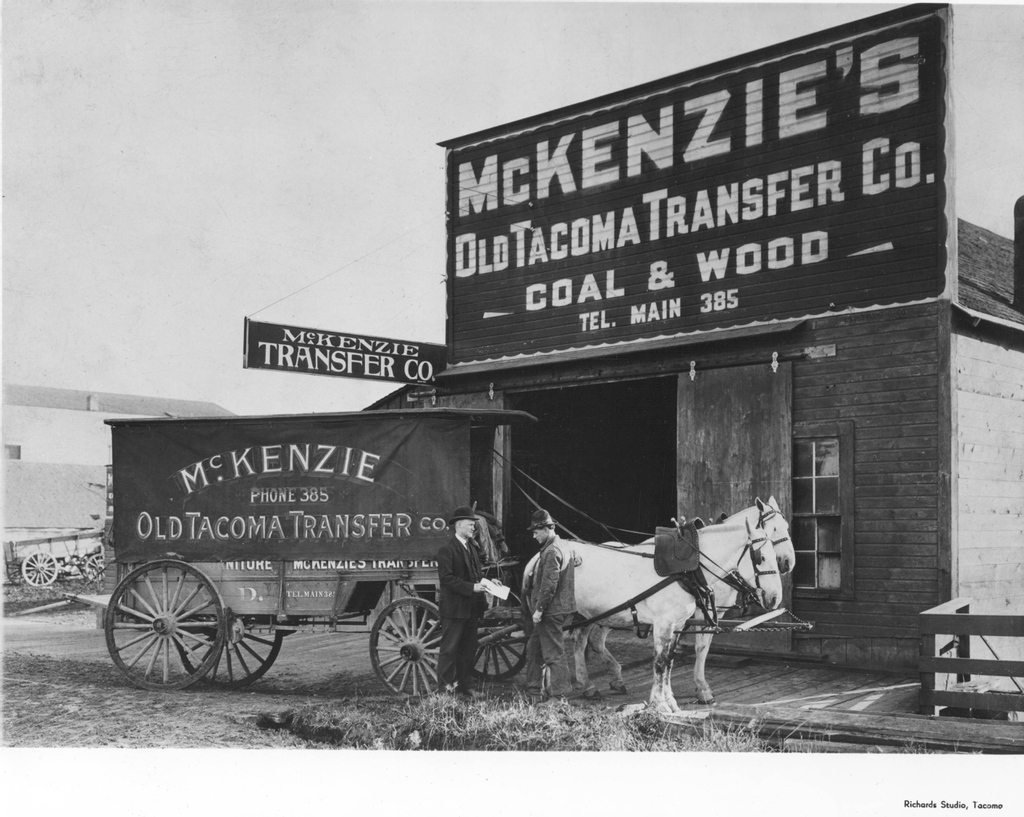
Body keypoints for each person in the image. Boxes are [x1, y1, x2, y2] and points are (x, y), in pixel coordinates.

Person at [522, 509, 576, 701]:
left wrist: (538, 610)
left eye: (536, 531)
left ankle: (560, 697)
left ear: (547, 529)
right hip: (555, 609)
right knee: (533, 650)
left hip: (550, 611)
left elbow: (549, 586)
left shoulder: (552, 551)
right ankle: (533, 693)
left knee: (554, 654)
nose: (534, 535)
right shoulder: (563, 546)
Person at [436, 505, 488, 697]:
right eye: (470, 524)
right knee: (449, 651)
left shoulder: (471, 548)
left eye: (473, 525)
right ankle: (445, 691)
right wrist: (471, 587)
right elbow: (446, 579)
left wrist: (489, 583)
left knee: (468, 650)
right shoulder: (447, 550)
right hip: (454, 609)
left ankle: (465, 687)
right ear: (458, 525)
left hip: (471, 608)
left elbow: (475, 576)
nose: (474, 528)